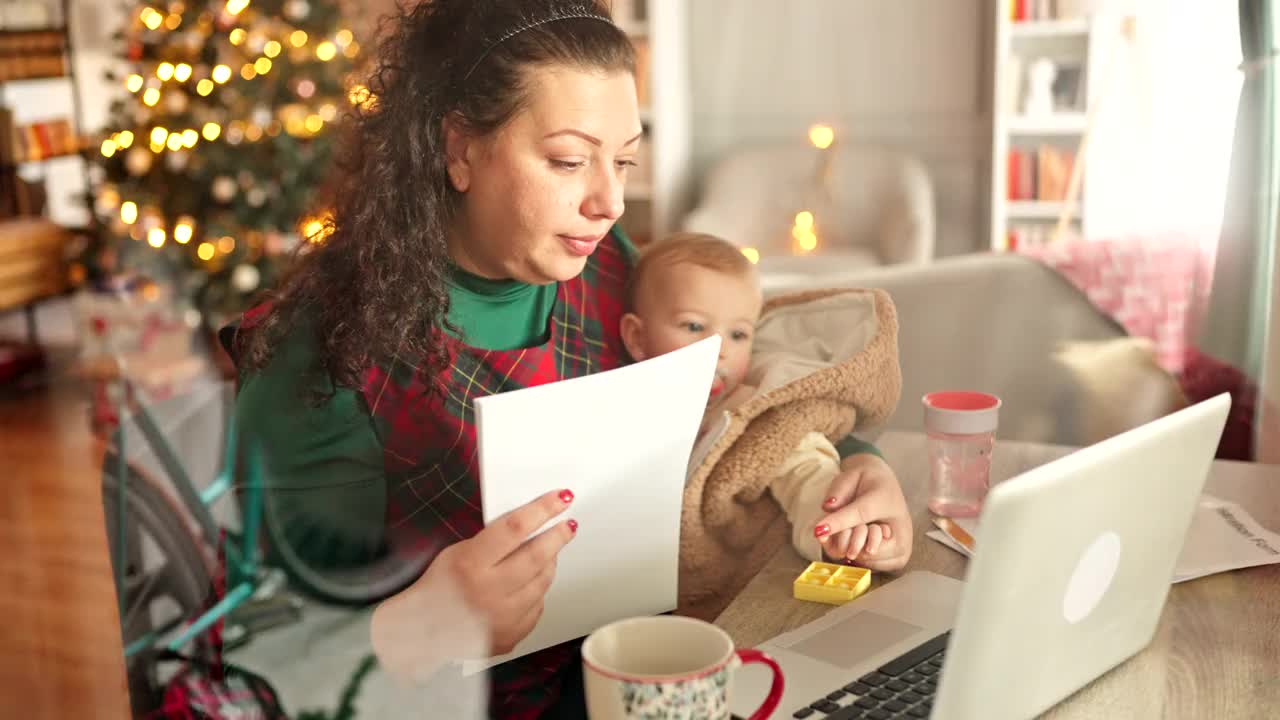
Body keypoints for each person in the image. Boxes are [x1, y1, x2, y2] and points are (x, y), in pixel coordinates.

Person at [220, 2, 906, 717]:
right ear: (459, 148)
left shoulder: (608, 269)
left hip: (618, 678)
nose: (609, 201)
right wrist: (421, 625)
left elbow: (729, 403)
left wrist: (855, 469)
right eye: (570, 161)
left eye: (624, 160)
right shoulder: (321, 351)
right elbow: (255, 666)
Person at [619, 233, 910, 565]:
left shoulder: (753, 415)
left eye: (738, 334)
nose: (721, 349)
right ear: (637, 338)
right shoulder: (619, 408)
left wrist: (838, 529)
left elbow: (805, 471)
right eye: (695, 325)